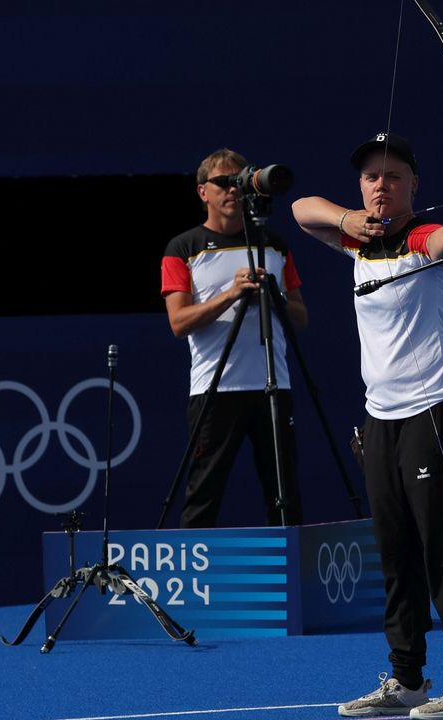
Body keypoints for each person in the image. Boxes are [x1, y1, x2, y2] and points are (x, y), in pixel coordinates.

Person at [292, 132, 443, 720]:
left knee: (441, 544)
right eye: (370, 176)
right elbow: (300, 208)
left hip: (435, 409)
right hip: (379, 416)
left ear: (414, 185)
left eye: (392, 176)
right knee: (393, 550)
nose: (380, 185)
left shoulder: (418, 239)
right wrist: (352, 220)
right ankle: (408, 679)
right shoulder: (361, 243)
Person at [160, 148, 307, 528]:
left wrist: (271, 293)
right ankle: (193, 583)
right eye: (223, 183)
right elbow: (178, 323)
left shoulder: (273, 245)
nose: (232, 191)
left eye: (239, 182)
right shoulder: (183, 248)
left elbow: (301, 317)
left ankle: (288, 582)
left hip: (274, 386)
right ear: (202, 192)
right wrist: (230, 294)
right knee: (203, 495)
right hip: (215, 389)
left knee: (285, 496)